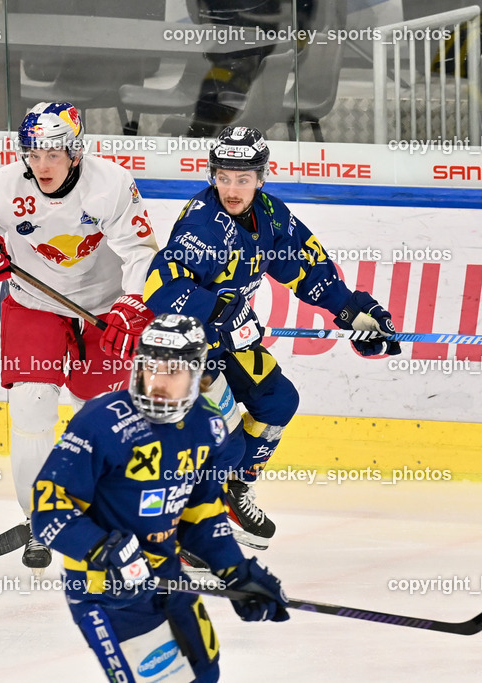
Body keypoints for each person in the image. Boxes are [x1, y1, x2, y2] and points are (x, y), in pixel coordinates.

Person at [142, 126, 400, 550]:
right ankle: (187, 534)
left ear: (261, 178)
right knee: (222, 442)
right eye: (223, 177)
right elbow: (161, 291)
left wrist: (354, 311)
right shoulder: (203, 227)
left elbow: (310, 272)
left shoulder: (273, 216)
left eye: (243, 178)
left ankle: (235, 492)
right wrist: (224, 312)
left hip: (226, 342)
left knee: (279, 402)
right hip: (185, 349)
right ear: (212, 175)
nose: (232, 188)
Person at [0, 102, 159, 573]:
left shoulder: (112, 184)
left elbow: (142, 252)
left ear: (76, 152)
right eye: (33, 152)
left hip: (101, 310)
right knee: (31, 404)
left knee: (99, 413)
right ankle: (39, 517)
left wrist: (134, 301)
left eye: (53, 153)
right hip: (34, 305)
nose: (42, 164)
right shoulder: (0, 188)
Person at [31, 313, 289, 682]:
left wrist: (236, 572)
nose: (158, 384)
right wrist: (104, 548)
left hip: (167, 575)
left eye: (173, 373)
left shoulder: (208, 425)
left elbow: (202, 515)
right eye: (151, 368)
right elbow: (48, 511)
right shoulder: (101, 421)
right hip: (106, 590)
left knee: (205, 674)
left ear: (198, 377)